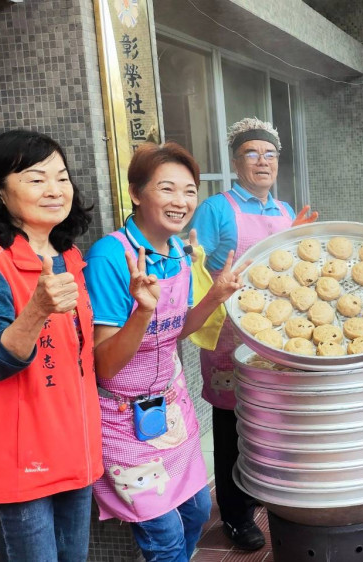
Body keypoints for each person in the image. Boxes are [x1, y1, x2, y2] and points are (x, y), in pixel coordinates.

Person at [0, 129, 101, 562]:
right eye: (36, 178)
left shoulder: (67, 254)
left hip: (74, 446)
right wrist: (37, 310)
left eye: (62, 177)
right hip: (19, 460)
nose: (55, 189)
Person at [83, 142, 247, 561]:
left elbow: (176, 329)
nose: (181, 201)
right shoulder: (111, 255)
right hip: (121, 420)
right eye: (167, 189)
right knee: (165, 537)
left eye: (189, 190)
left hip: (170, 410)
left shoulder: (177, 251)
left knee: (195, 513)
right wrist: (141, 312)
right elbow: (104, 365)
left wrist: (217, 296)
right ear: (136, 193)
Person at [189, 117, 316, 550]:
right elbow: (195, 271)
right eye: (252, 153)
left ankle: (262, 488)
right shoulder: (216, 208)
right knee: (231, 425)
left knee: (270, 419)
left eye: (270, 154)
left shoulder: (282, 210)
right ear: (235, 160)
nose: (262, 161)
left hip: (276, 339)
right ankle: (236, 515)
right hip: (229, 337)